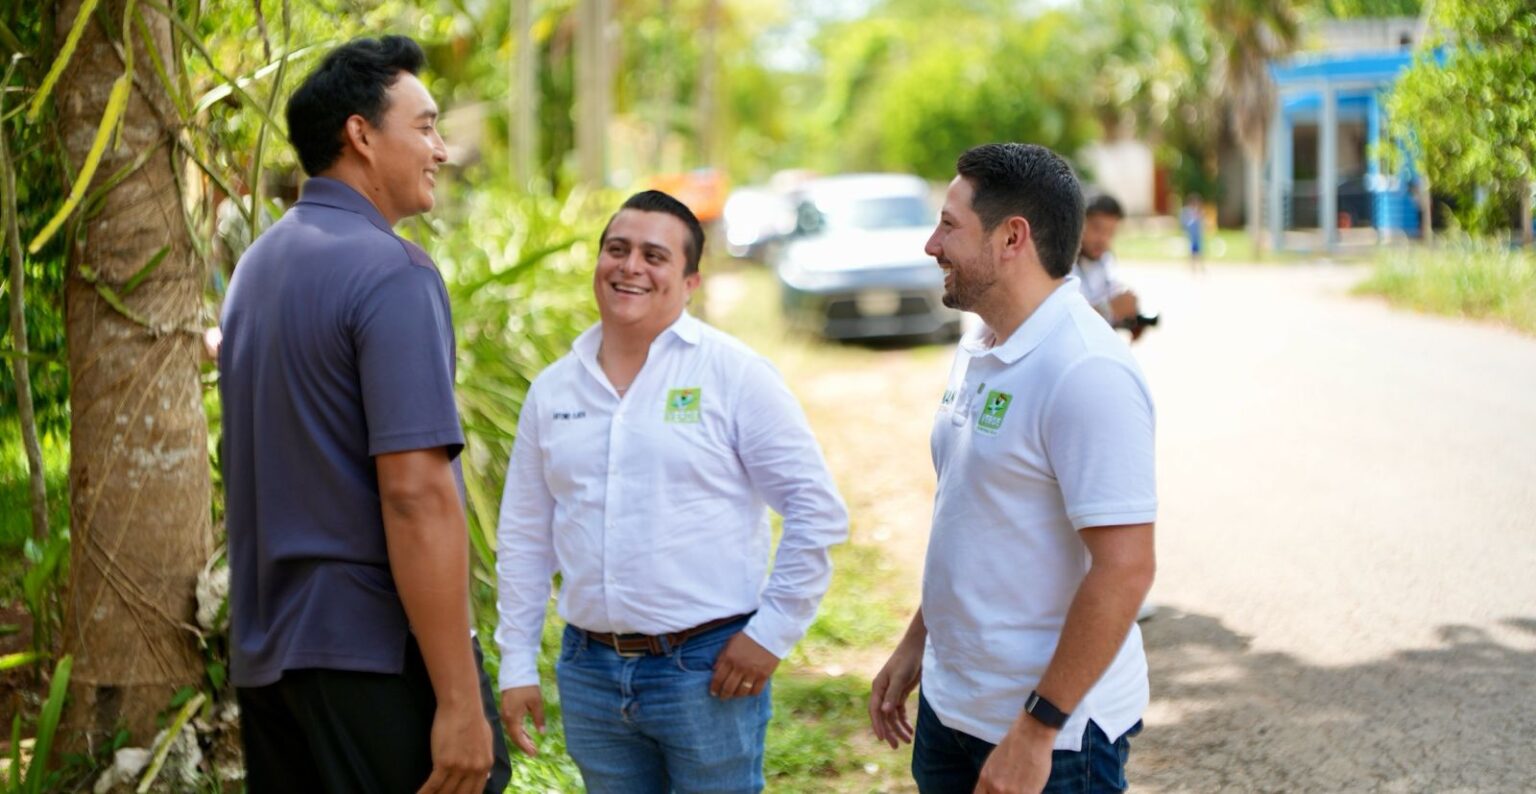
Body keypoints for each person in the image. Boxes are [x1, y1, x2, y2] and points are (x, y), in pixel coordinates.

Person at [219, 35, 508, 793]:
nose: (441, 149)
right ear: (361, 134)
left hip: (269, 658)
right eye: (425, 126)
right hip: (373, 655)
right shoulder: (392, 272)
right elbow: (415, 494)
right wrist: (459, 700)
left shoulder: (256, 270)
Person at [494, 190, 848, 793]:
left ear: (690, 283)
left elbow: (816, 511)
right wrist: (516, 664)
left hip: (707, 668)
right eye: (617, 249)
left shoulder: (734, 375)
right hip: (588, 671)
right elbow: (525, 535)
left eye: (654, 255)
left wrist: (770, 634)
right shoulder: (554, 391)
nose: (630, 266)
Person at [868, 143, 1157, 793]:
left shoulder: (1086, 370)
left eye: (948, 225)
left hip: (1052, 738)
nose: (931, 245)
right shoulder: (981, 342)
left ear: (1011, 238)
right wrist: (917, 641)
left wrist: (1036, 731)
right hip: (951, 708)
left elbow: (1126, 569)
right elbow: (974, 517)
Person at [1073, 193, 1147, 341]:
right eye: (1097, 229)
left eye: (1110, 232)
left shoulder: (1105, 259)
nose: (1103, 239)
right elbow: (1067, 323)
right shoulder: (1059, 265)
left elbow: (1114, 290)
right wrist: (1108, 309)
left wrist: (1130, 318)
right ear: (1079, 224)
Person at [1180, 193, 1205, 274]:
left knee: (1199, 252)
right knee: (1191, 253)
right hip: (1191, 237)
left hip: (1197, 237)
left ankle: (1200, 267)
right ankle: (1192, 268)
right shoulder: (1187, 212)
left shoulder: (1199, 212)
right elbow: (1185, 223)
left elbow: (1201, 224)